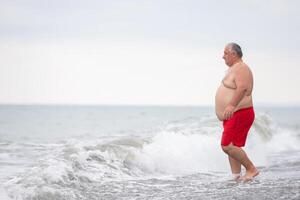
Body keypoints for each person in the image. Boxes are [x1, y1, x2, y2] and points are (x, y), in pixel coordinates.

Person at [215, 42, 259, 181]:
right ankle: (236, 176)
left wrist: (231, 106)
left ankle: (251, 169)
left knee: (226, 145)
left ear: (234, 54)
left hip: (240, 112)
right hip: (232, 114)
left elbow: (243, 88)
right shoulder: (234, 68)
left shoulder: (241, 68)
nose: (223, 57)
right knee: (233, 146)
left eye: (226, 53)